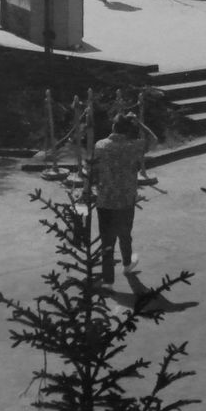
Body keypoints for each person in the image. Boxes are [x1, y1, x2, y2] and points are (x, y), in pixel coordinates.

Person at [90, 111, 157, 286]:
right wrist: (139, 123)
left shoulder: (100, 145)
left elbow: (94, 170)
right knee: (125, 235)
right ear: (127, 130)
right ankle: (127, 264)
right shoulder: (133, 145)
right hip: (126, 200)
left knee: (107, 241)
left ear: (113, 127)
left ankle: (108, 281)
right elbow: (154, 140)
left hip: (105, 200)